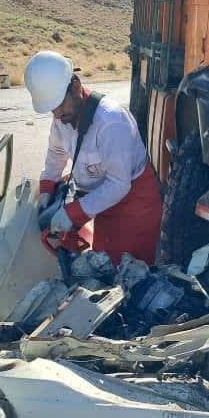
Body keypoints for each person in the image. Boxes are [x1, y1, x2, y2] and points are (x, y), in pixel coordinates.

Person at [24, 51, 162, 265]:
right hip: (100, 203)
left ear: (75, 86)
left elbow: (119, 184)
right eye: (52, 109)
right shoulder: (62, 119)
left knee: (129, 273)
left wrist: (72, 214)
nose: (57, 114)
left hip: (134, 207)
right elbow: (56, 154)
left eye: (60, 104)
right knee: (102, 266)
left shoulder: (111, 122)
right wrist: (46, 191)